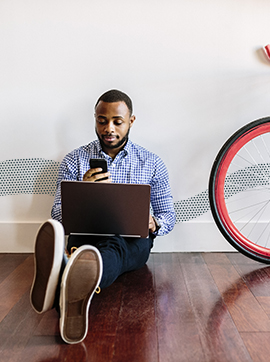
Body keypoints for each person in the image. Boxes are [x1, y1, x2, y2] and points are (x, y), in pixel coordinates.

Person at [30, 89, 175, 344]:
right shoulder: (75, 160)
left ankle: (63, 272)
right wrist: (84, 191)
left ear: (131, 121)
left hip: (134, 241)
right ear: (95, 119)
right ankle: (72, 282)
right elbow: (57, 216)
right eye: (101, 120)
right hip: (87, 234)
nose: (109, 128)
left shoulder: (152, 163)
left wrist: (155, 222)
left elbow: (168, 215)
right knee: (96, 250)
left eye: (117, 122)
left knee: (116, 246)